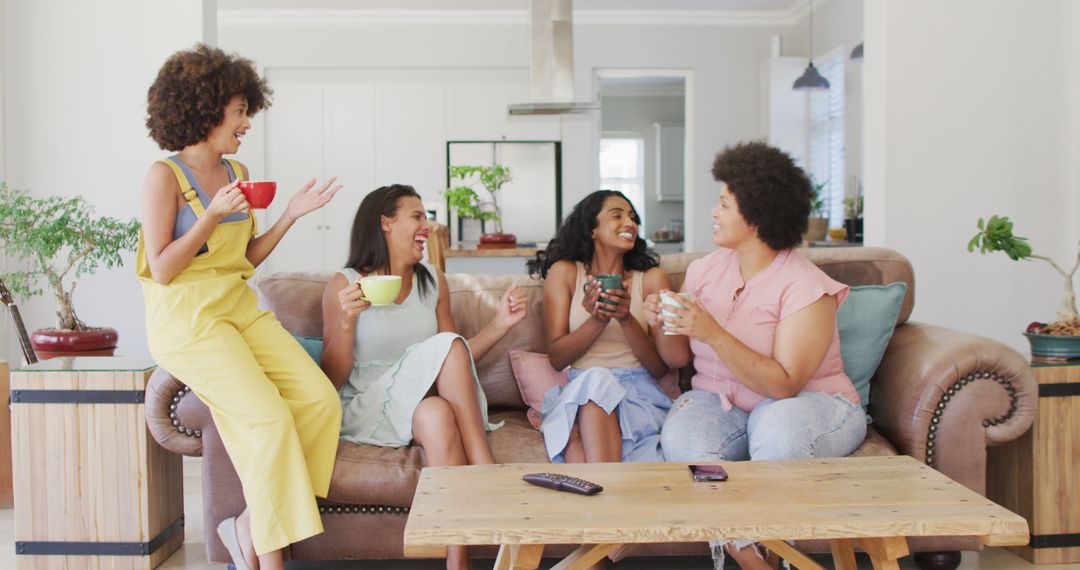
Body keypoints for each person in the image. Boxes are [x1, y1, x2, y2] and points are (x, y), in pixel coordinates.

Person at [136, 44, 344, 570]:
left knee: (319, 400)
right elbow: (162, 268)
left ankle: (250, 524)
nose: (247, 122)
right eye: (240, 111)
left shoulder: (237, 171)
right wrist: (209, 216)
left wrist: (291, 215)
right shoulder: (165, 178)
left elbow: (244, 257)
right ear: (205, 110)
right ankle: (269, 558)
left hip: (236, 306)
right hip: (188, 321)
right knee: (268, 419)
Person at [646, 142, 867, 570]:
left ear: (758, 216)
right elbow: (675, 358)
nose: (714, 211)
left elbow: (784, 385)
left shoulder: (805, 285)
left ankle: (777, 556)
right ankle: (754, 562)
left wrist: (715, 333)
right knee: (686, 440)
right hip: (722, 403)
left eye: (725, 204)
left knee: (777, 426)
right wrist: (659, 318)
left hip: (811, 404)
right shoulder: (704, 271)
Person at [320, 184, 527, 570]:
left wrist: (501, 325)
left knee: (438, 414)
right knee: (446, 346)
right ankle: (485, 469)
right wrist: (347, 323)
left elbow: (454, 359)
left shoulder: (433, 280)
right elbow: (331, 377)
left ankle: (457, 560)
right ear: (386, 222)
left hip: (419, 402)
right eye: (417, 216)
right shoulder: (344, 284)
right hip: (367, 403)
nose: (427, 227)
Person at [527, 190, 673, 466]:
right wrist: (598, 320)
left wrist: (626, 317)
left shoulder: (653, 279)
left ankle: (599, 493)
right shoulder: (566, 272)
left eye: (633, 217)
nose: (629, 223)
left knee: (580, 448)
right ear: (592, 229)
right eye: (617, 216)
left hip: (638, 392)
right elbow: (558, 359)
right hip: (584, 389)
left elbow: (660, 367)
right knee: (596, 381)